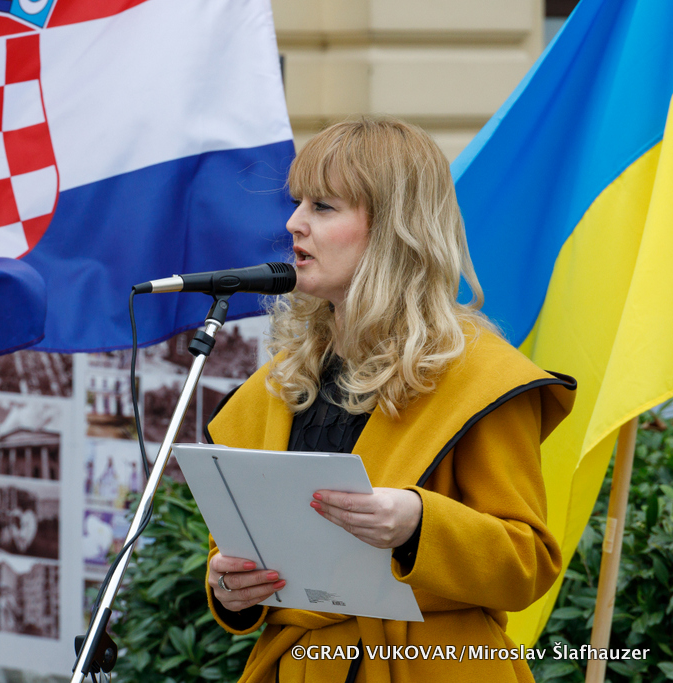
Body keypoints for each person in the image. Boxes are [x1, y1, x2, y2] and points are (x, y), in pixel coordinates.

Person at [203, 117, 576, 683]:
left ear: (393, 228)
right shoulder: (276, 384)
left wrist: (419, 523)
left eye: (323, 206)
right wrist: (229, 586)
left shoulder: (482, 376)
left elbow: (526, 564)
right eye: (298, 202)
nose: (294, 222)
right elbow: (233, 554)